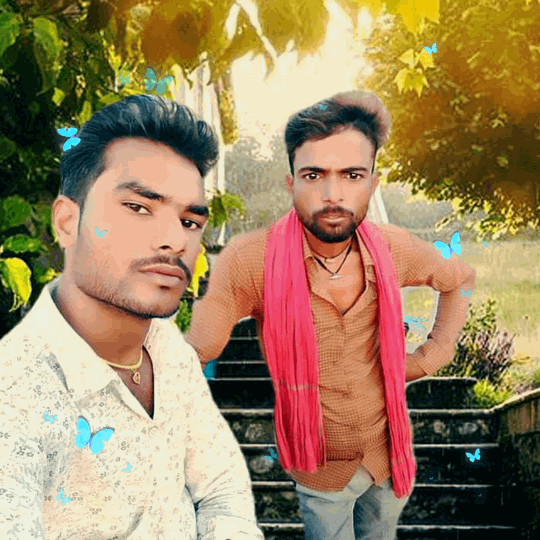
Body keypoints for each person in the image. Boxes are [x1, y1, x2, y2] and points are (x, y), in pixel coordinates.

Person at [185, 90, 476, 540]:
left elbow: (459, 279)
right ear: (291, 182)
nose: (332, 194)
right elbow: (199, 346)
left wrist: (432, 355)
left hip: (387, 456)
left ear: (372, 183)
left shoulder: (392, 248)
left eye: (352, 175)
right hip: (318, 464)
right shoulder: (250, 261)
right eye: (314, 174)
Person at [0, 94, 264, 540]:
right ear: (67, 221)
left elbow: (222, 487)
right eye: (139, 208)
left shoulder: (168, 350)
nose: (174, 240)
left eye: (190, 221)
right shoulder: (15, 393)